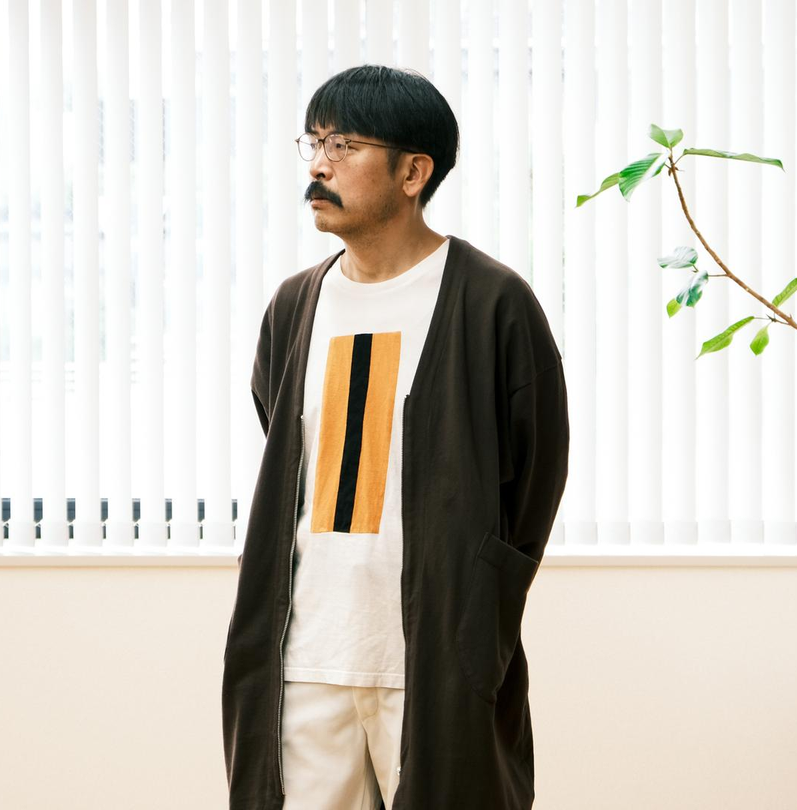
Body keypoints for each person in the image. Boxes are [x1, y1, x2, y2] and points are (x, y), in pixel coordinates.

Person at [222, 64, 569, 810]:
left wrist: (482, 601)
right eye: (313, 142)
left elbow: (535, 472)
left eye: (344, 145)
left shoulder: (492, 302)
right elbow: (283, 443)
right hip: (305, 655)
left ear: (414, 172)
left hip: (434, 652)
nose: (318, 166)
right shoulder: (295, 304)